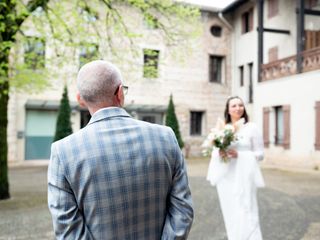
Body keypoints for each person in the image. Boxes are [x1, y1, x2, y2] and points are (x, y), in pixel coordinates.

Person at [47, 60, 194, 239]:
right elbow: (183, 210)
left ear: (80, 100)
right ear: (120, 93)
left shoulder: (62, 151)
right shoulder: (166, 137)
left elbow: (68, 231)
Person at [206, 96, 265, 240]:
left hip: (244, 175)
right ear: (228, 109)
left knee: (247, 209)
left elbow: (260, 154)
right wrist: (219, 152)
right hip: (225, 178)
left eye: (240, 105)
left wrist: (241, 155)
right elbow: (214, 151)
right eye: (234, 106)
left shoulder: (252, 128)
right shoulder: (222, 129)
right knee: (230, 212)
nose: (238, 108)